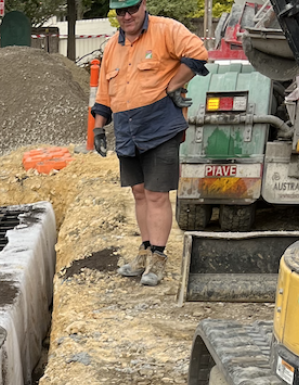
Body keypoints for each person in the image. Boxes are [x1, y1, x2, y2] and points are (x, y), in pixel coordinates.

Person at [91, 0, 208, 286]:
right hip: (128, 128)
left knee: (157, 194)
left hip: (160, 125)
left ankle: (158, 258)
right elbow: (105, 93)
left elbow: (198, 54)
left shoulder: (166, 30)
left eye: (131, 8)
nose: (127, 16)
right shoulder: (111, 46)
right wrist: (97, 128)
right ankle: (144, 251)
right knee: (139, 192)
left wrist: (173, 84)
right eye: (121, 11)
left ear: (143, 5)